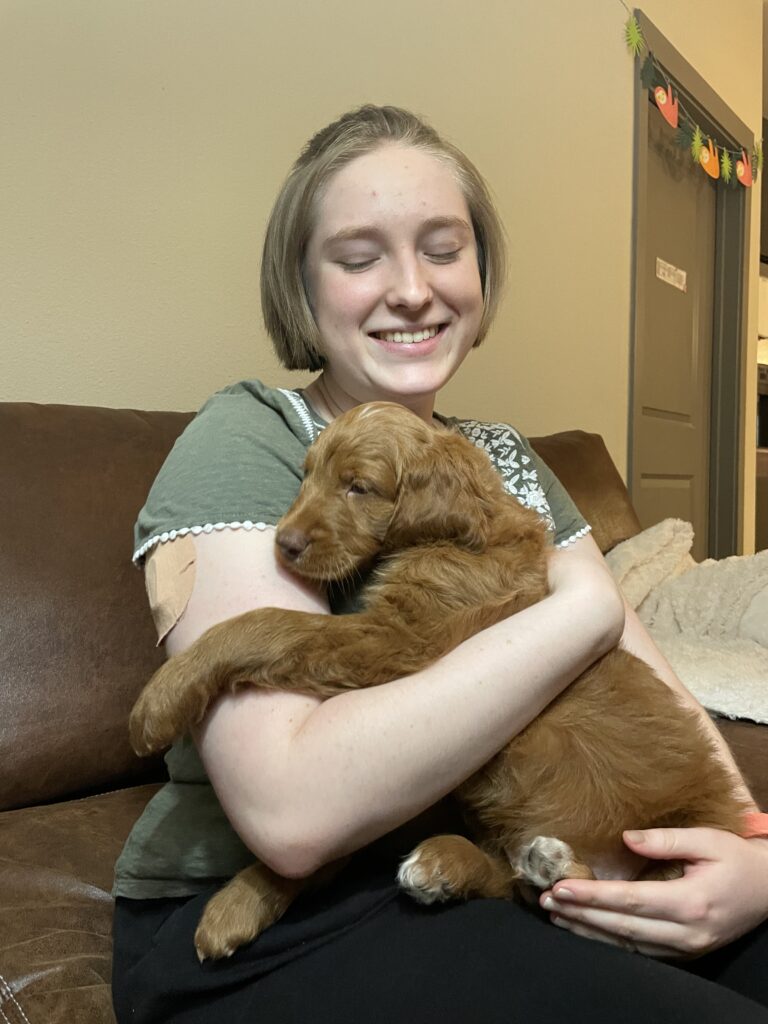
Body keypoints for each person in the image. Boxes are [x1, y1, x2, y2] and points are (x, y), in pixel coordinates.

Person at [112, 104, 768, 1023]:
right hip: (277, 917)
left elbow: (652, 689)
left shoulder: (506, 458)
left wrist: (749, 851)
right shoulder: (250, 434)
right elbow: (293, 817)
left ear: (482, 274)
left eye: (443, 248)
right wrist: (582, 611)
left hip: (493, 859)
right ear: (302, 288)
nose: (413, 289)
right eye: (358, 255)